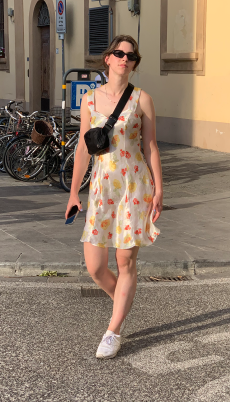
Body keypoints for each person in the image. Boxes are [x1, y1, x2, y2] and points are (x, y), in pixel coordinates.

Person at [65, 35, 163, 359]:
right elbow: (82, 147)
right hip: (101, 189)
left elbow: (150, 146)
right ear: (108, 58)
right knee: (94, 266)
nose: (124, 59)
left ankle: (114, 329)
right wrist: (73, 192)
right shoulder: (90, 100)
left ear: (134, 64)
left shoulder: (142, 100)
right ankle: (123, 297)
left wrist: (159, 189)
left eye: (130, 56)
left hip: (134, 188)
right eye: (119, 53)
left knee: (125, 262)